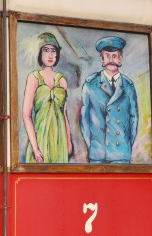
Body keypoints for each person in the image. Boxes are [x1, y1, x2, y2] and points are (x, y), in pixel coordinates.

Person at [81, 36, 138, 164]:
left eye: (114, 56)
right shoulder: (90, 84)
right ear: (102, 59)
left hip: (121, 153)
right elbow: (84, 120)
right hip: (98, 153)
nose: (111, 60)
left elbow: (134, 120)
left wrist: (125, 145)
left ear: (120, 58)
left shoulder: (129, 86)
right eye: (107, 56)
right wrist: (94, 145)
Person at [22, 32, 73, 163]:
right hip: (40, 138)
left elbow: (65, 114)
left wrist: (68, 142)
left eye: (53, 50)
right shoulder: (33, 78)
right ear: (40, 53)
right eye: (46, 50)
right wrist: (35, 147)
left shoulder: (62, 80)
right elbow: (26, 115)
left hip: (59, 139)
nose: (50, 55)